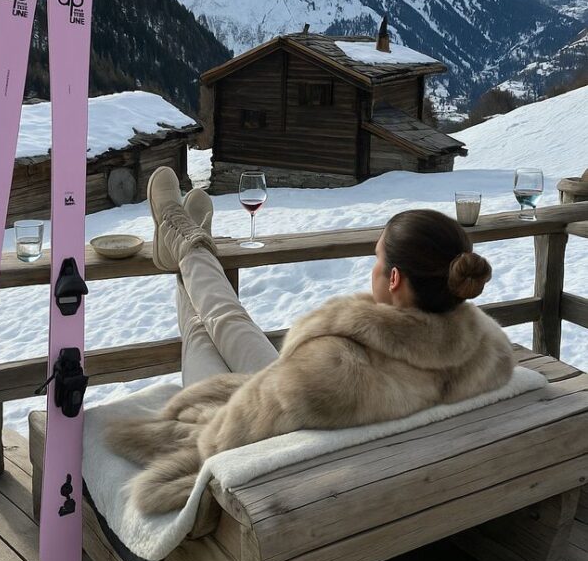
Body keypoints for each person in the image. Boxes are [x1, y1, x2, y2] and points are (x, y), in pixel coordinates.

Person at [106, 167, 514, 515]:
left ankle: (184, 241)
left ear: (394, 279)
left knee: (203, 330)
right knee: (228, 320)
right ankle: (185, 243)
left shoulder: (337, 371)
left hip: (290, 429)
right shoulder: (484, 352)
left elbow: (222, 439)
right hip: (318, 401)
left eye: (377, 259)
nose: (372, 268)